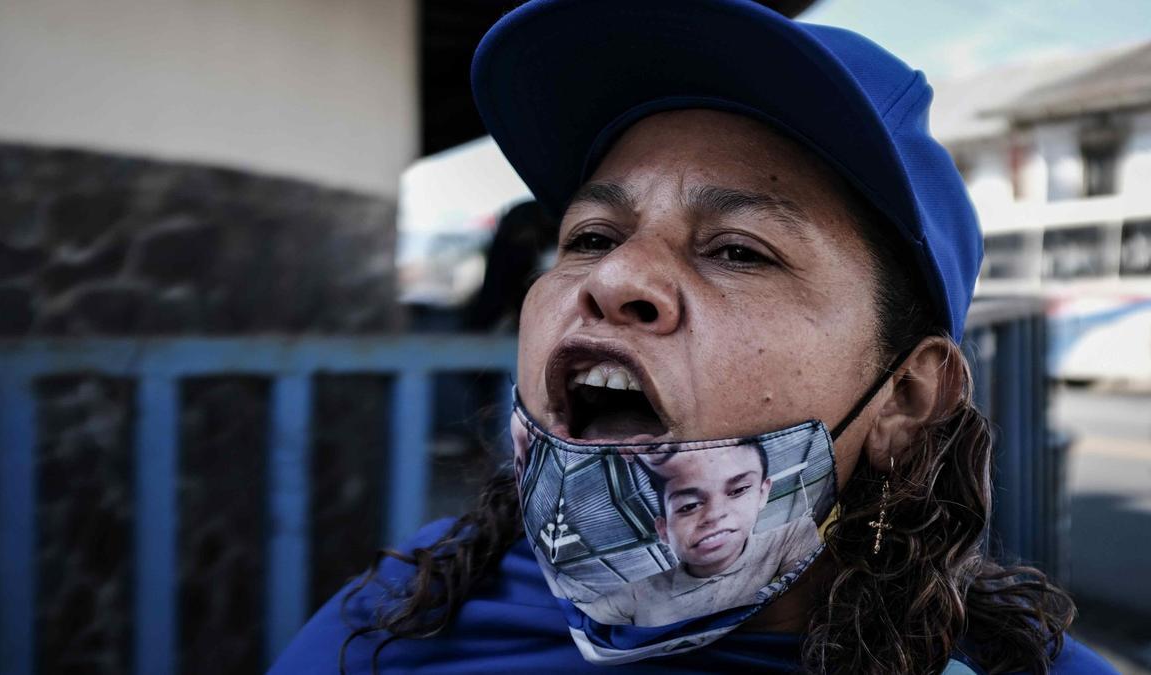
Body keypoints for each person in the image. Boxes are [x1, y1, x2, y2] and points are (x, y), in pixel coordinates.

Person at [271, 1, 1117, 673]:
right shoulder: (404, 607)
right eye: (592, 236)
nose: (613, 280)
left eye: (739, 251)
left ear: (905, 394)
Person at [578, 442, 821, 626]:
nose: (715, 515)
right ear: (663, 530)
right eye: (689, 506)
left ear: (762, 493)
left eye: (738, 490)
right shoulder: (638, 594)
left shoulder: (790, 539)